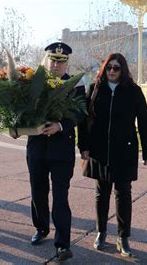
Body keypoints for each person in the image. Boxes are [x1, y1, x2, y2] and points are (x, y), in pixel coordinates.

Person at [78, 53, 147, 257]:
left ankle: (123, 237)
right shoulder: (94, 89)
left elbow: (144, 121)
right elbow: (84, 121)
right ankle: (101, 232)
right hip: (99, 149)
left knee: (124, 193)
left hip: (124, 150)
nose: (112, 71)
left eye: (116, 68)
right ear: (104, 69)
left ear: (123, 70)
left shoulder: (133, 91)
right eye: (109, 67)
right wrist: (83, 146)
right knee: (101, 192)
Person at [26, 42, 85, 262]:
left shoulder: (76, 86)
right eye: (53, 60)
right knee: (38, 192)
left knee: (61, 196)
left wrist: (60, 126)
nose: (57, 65)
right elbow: (21, 109)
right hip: (37, 149)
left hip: (62, 150)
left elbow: (80, 114)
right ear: (46, 60)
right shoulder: (32, 83)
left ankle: (62, 244)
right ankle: (41, 228)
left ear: (67, 63)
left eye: (61, 61)